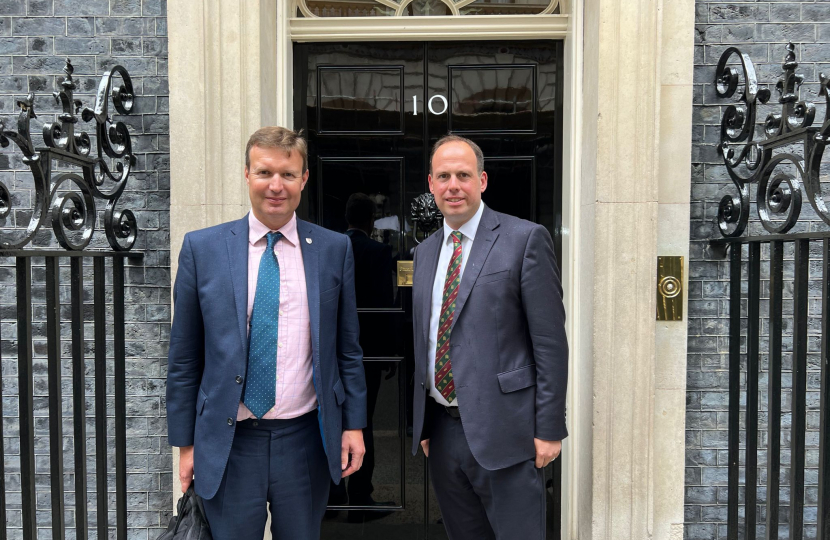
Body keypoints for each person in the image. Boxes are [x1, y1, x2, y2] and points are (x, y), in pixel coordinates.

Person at [166, 126, 368, 540]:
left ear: (304, 179)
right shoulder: (202, 249)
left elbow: (347, 349)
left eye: (288, 175)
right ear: (246, 175)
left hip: (305, 439)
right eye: (264, 173)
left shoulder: (333, 249)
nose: (276, 186)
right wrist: (186, 446)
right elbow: (184, 357)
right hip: (230, 440)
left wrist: (354, 425)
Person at [411, 135, 569, 540]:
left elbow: (549, 342)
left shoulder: (524, 239)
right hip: (443, 433)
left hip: (508, 431)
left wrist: (549, 427)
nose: (453, 185)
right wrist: (424, 426)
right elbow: (423, 340)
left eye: (463, 175)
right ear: (430, 184)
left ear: (482, 180)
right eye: (443, 176)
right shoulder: (425, 252)